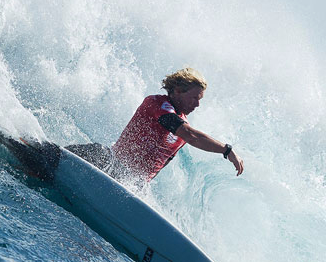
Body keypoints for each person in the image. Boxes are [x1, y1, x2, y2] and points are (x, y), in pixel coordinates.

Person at [70, 68, 243, 183]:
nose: (197, 105)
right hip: (111, 163)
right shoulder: (156, 104)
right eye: (194, 98)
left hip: (133, 185)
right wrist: (227, 150)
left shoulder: (180, 134)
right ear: (177, 91)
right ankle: (48, 155)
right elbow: (191, 135)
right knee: (98, 151)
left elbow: (160, 165)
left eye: (200, 100)